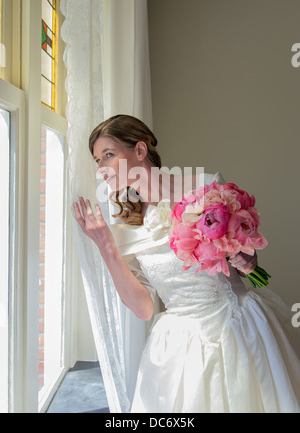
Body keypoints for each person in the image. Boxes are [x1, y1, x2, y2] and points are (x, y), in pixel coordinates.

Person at [73, 114, 300, 413]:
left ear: (139, 151)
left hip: (239, 326)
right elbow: (144, 309)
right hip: (179, 347)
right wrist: (105, 246)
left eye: (108, 155)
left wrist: (250, 261)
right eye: (97, 160)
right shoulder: (126, 228)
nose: (101, 169)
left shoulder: (204, 188)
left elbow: (250, 267)